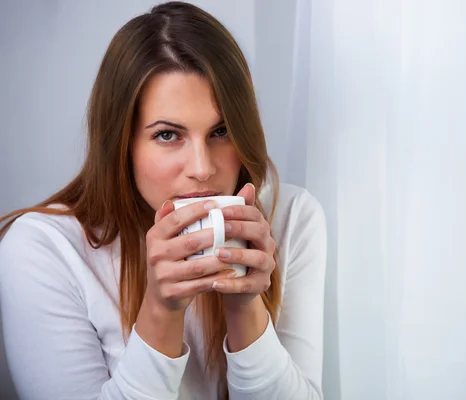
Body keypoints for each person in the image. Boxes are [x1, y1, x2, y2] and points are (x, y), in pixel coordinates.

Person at [0, 2, 326, 399]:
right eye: (168, 135)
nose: (202, 168)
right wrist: (161, 311)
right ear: (122, 144)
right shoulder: (45, 248)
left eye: (221, 131)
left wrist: (244, 305)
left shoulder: (290, 218)